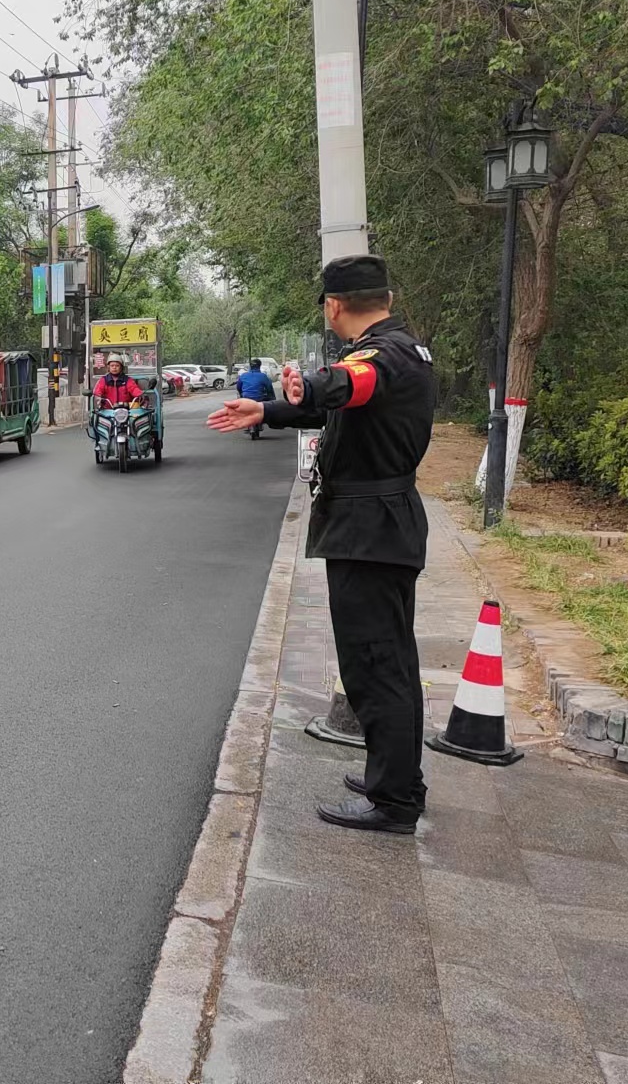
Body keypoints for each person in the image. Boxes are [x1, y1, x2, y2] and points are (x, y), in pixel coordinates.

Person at [206, 255, 437, 834]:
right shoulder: (405, 348)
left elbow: (348, 384)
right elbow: (344, 405)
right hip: (383, 524)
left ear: (334, 306)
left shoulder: (378, 356)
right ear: (385, 298)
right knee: (393, 660)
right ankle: (398, 776)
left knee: (374, 665)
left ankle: (394, 800)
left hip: (368, 530)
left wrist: (306, 384)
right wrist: (268, 408)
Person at [234, 359, 276, 438]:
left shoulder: (243, 375)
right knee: (266, 406)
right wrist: (272, 397)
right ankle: (261, 420)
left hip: (246, 398)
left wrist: (241, 394)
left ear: (250, 366)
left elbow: (238, 387)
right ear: (259, 366)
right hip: (259, 398)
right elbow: (269, 388)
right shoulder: (263, 376)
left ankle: (247, 421)